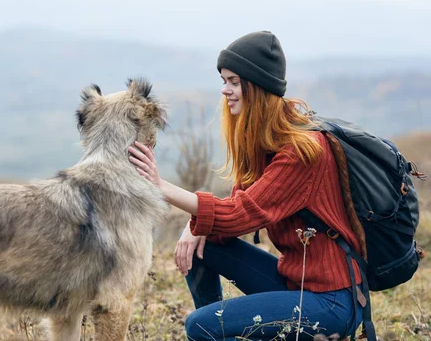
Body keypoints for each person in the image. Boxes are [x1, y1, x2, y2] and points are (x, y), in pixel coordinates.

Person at [128, 31, 364, 340]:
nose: (225, 90)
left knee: (198, 324)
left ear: (259, 86)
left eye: (234, 82)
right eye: (224, 80)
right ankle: (222, 331)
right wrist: (196, 226)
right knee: (205, 246)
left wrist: (162, 187)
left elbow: (240, 214)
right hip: (295, 283)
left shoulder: (301, 152)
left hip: (331, 303)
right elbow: (230, 212)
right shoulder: (264, 141)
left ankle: (215, 329)